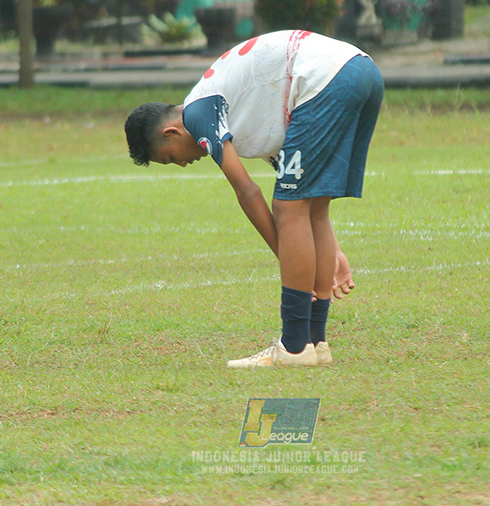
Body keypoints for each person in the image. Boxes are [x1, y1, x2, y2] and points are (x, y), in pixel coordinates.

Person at [124, 30, 383, 367]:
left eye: (171, 158)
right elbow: (309, 209)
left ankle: (293, 347)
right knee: (310, 203)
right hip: (361, 72)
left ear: (170, 133)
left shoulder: (198, 113)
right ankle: (316, 344)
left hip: (325, 78)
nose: (183, 164)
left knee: (288, 208)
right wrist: (330, 254)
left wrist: (292, 257)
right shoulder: (242, 117)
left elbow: (247, 192)